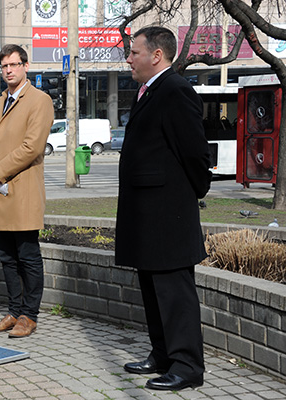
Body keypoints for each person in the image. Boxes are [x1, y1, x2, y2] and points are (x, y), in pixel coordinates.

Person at [116, 26, 211, 391]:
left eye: (134, 52)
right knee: (154, 292)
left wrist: (190, 193)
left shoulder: (175, 90)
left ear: (157, 55)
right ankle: (162, 355)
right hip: (147, 216)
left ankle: (187, 366)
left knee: (175, 294)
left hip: (167, 215)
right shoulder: (150, 91)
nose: (128, 58)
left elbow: (194, 152)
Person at [0, 44, 54, 338]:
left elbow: (32, 147)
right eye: (4, 66)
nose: (8, 70)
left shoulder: (39, 100)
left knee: (27, 255)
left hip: (21, 191)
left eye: (13, 64)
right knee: (6, 256)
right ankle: (13, 310)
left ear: (25, 66)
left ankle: (29, 315)